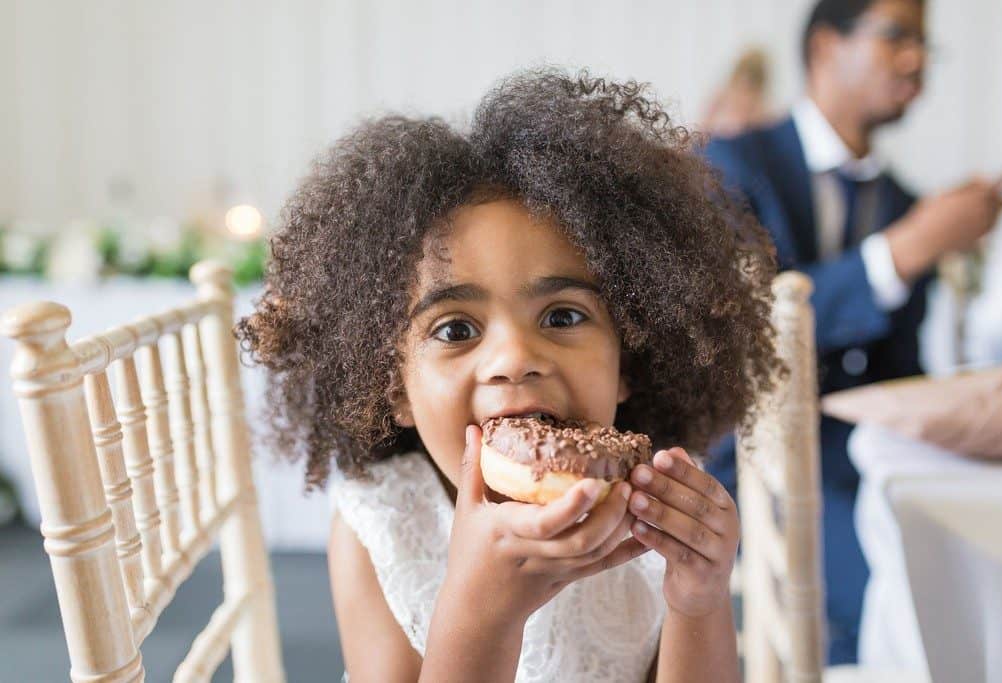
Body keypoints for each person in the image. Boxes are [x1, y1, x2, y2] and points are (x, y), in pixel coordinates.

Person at [238, 69, 781, 682]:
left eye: (562, 315)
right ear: (393, 388)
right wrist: (482, 612)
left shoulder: (656, 506)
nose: (514, 356)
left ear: (629, 361)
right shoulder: (383, 523)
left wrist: (698, 599)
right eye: (455, 330)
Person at [703, 0, 1002, 665]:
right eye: (897, 36)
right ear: (824, 48)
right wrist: (905, 252)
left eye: (926, 45)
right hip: (757, 457)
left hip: (863, 452)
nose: (917, 61)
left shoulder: (900, 199)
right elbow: (749, 333)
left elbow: (896, 369)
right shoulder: (731, 162)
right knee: (898, 581)